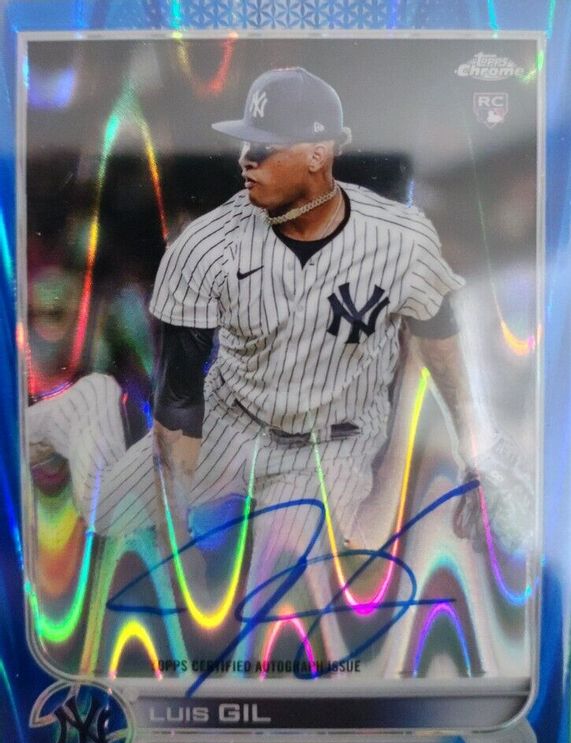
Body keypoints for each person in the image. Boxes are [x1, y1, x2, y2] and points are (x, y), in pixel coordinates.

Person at [27, 68, 529, 670]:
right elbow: (179, 408)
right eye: (247, 142)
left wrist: (478, 448)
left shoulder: (399, 238)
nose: (247, 158)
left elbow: (439, 342)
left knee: (288, 576)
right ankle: (87, 410)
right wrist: (181, 546)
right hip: (230, 422)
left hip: (335, 440)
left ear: (318, 154)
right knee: (106, 511)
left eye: (267, 146)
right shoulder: (206, 246)